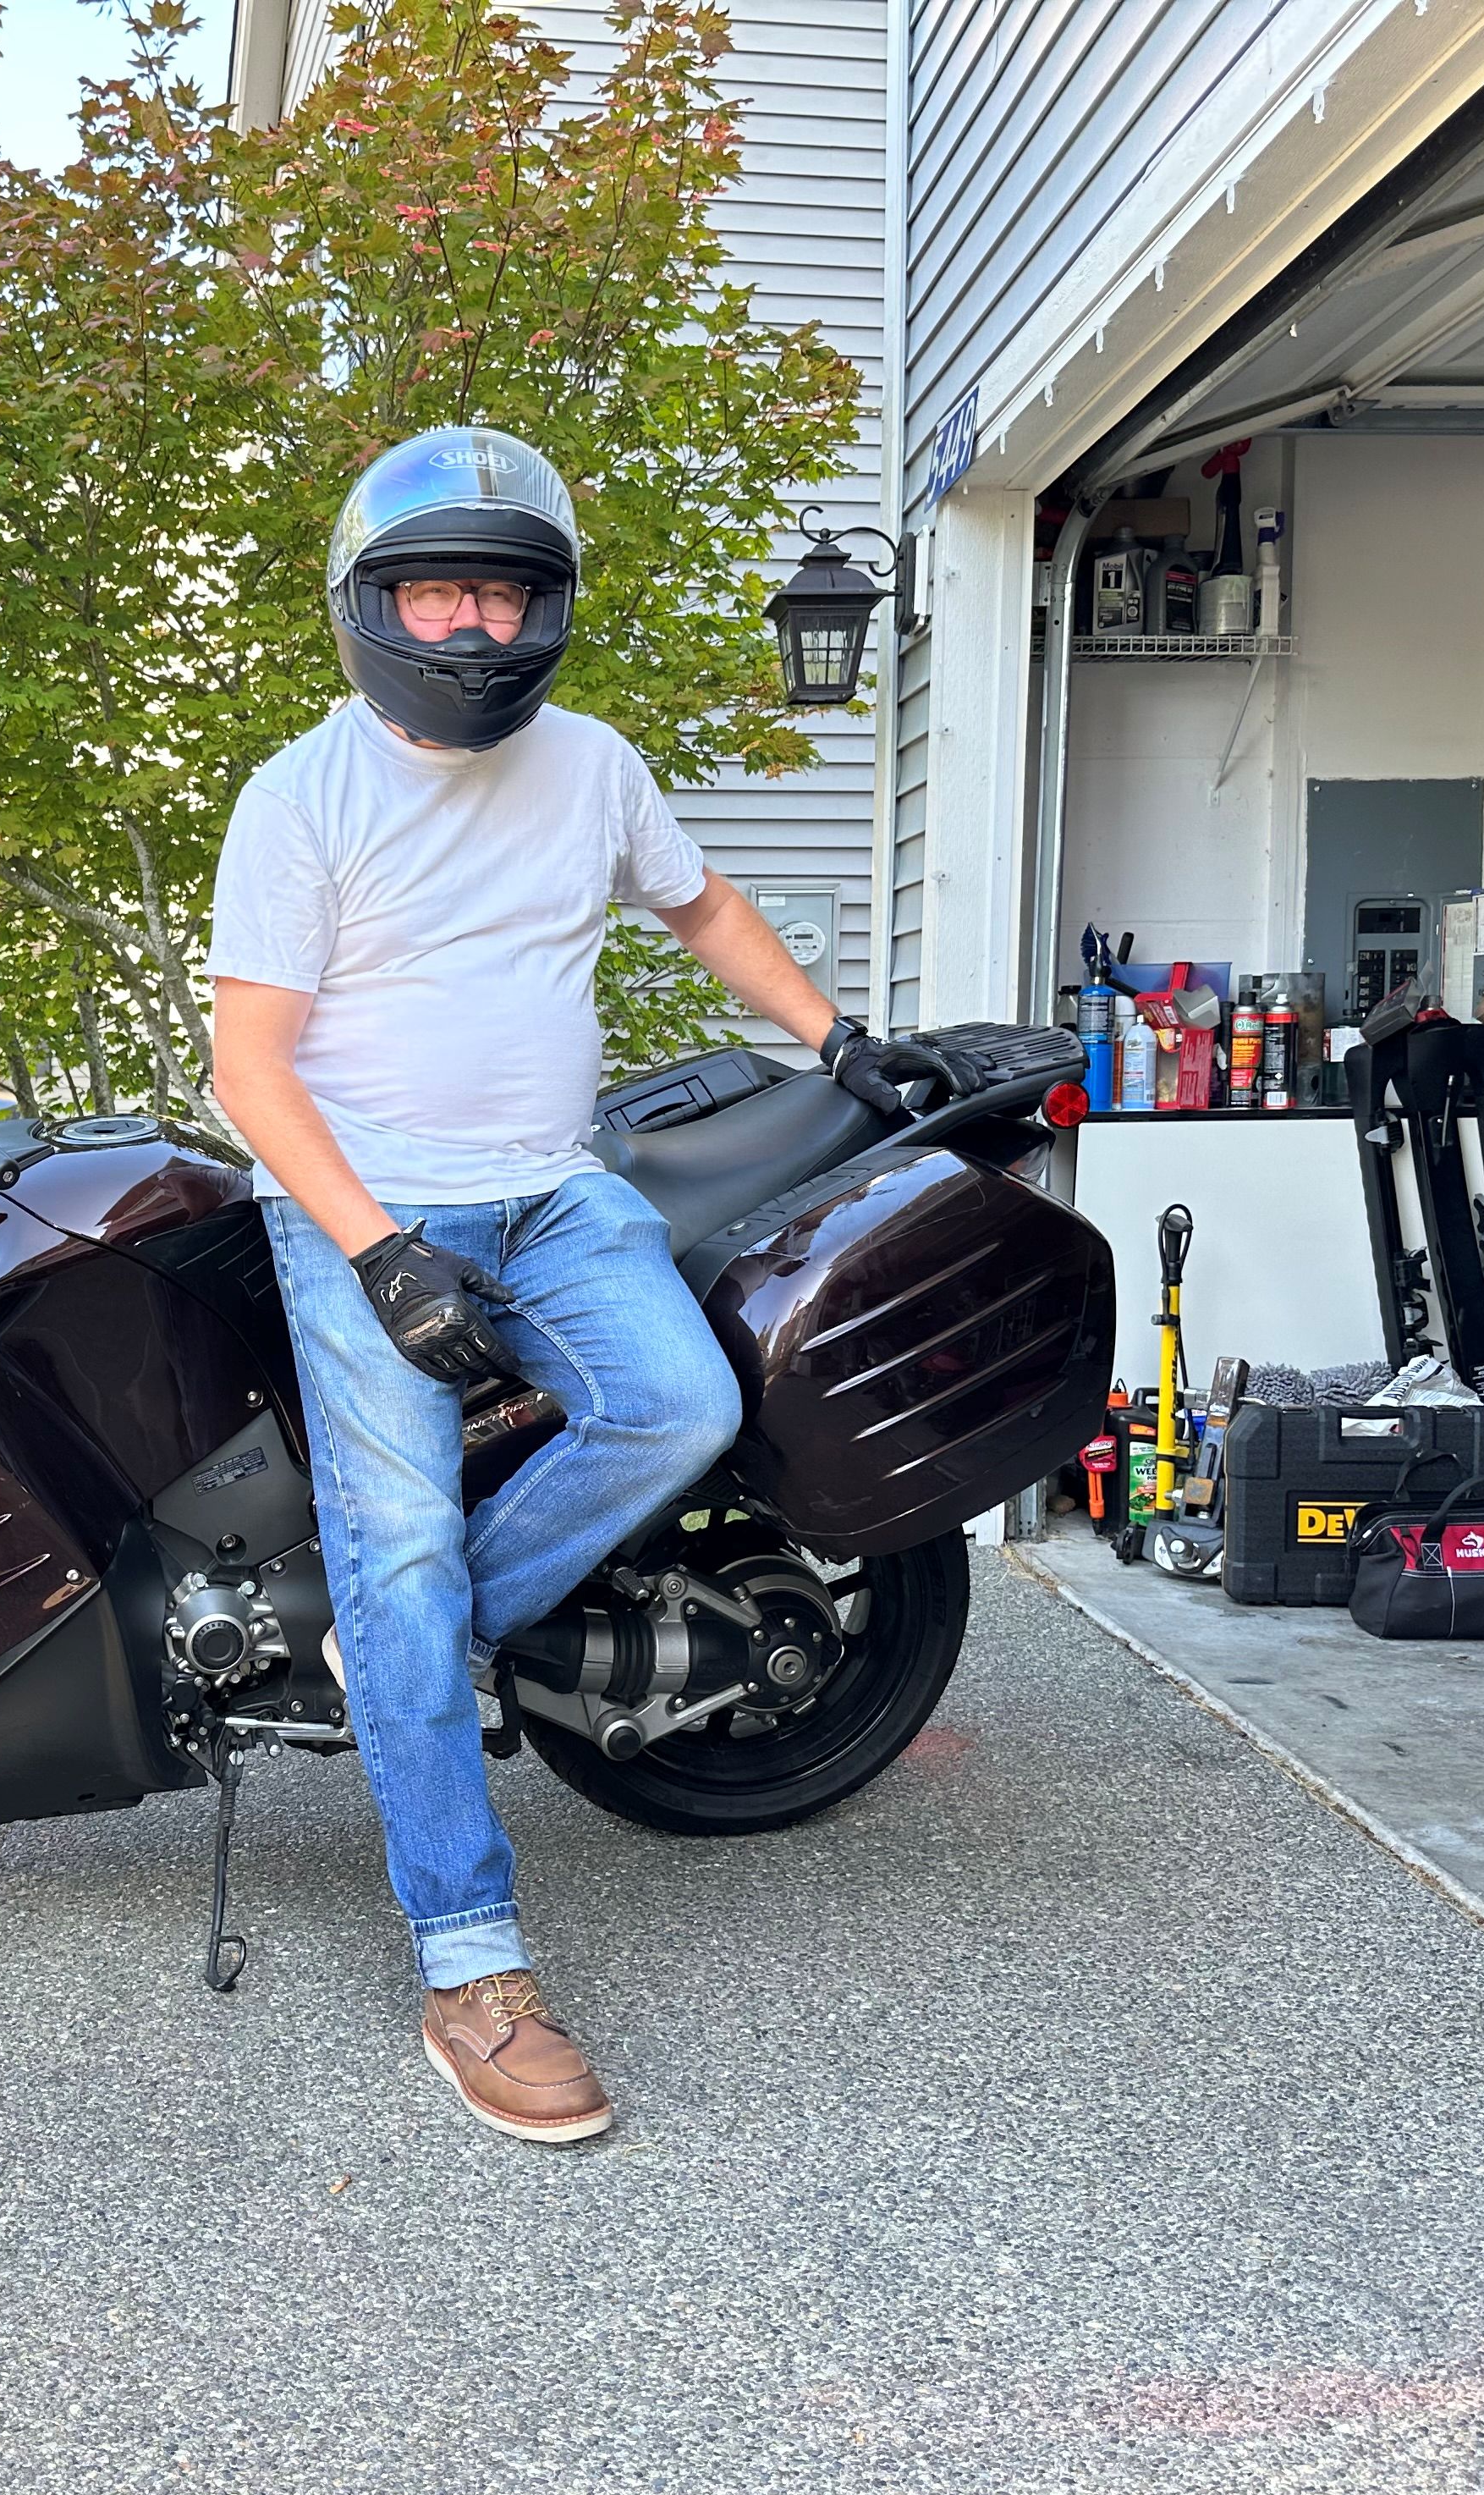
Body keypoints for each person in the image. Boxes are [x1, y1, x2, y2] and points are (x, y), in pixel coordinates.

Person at [206, 425, 946, 2144]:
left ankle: (421, 1654)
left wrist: (842, 1036)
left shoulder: (593, 766)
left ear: (544, 609)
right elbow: (252, 1067)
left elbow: (703, 909)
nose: (469, 632)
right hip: (363, 1204)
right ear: (373, 603)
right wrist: (379, 1253)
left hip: (557, 1191)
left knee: (680, 1406)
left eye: (501, 596)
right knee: (386, 1540)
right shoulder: (299, 795)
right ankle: (470, 1965)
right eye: (435, 594)